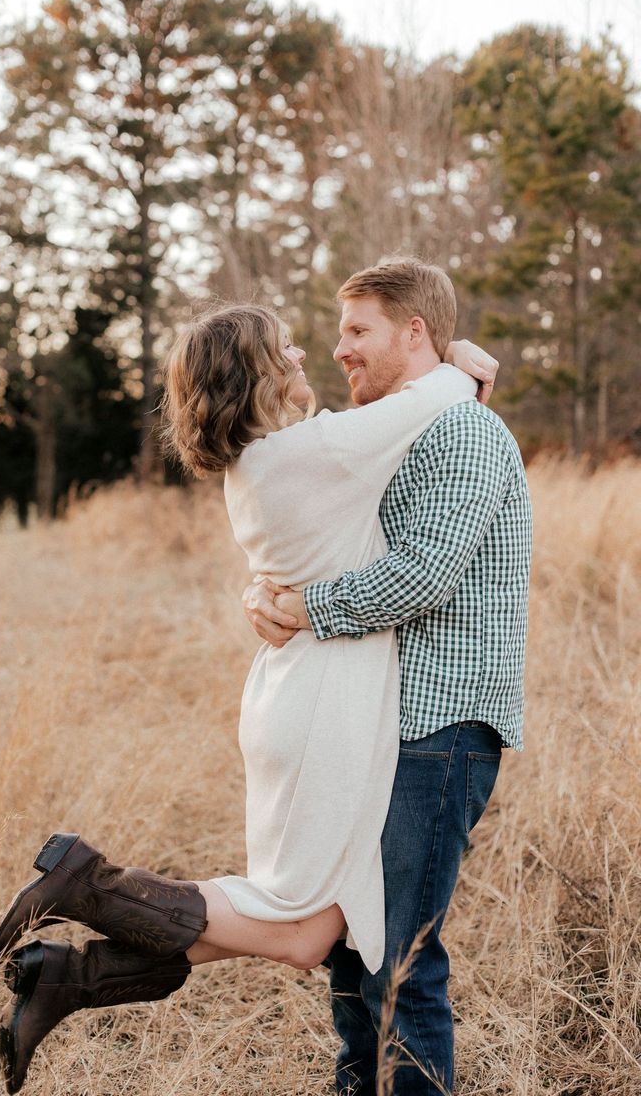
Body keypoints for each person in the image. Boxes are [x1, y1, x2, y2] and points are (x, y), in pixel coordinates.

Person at [0, 293, 500, 1095]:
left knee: (325, 924)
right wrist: (461, 361)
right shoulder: (318, 453)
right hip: (327, 698)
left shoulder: (265, 463)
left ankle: (72, 976)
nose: (306, 357)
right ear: (253, 374)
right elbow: (433, 393)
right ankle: (87, 884)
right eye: (287, 348)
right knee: (299, 925)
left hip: (296, 694)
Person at [242, 258, 532, 1095]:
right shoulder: (397, 428)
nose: (339, 350)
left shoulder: (466, 432)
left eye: (357, 330)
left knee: (401, 956)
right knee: (352, 942)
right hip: (372, 721)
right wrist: (263, 590)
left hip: (439, 729)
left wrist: (302, 610)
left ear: (414, 334)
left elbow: (422, 573)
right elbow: (309, 532)